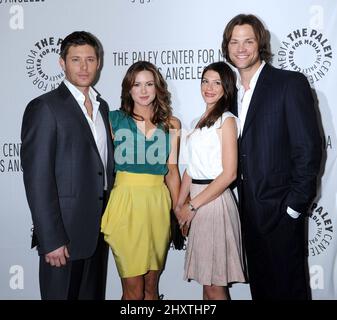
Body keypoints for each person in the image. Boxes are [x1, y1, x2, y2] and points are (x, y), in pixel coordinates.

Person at [221, 14, 322, 299]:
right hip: (246, 215)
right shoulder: (230, 96)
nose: (241, 48)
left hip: (280, 213)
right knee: (262, 292)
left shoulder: (289, 83)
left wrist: (293, 208)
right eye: (234, 42)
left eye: (248, 41)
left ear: (260, 44)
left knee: (289, 292)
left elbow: (308, 150)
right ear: (227, 47)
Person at [21, 31, 114, 300]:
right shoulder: (44, 108)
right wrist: (51, 239)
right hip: (63, 238)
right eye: (75, 60)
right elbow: (38, 179)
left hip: (98, 233)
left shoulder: (102, 107)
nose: (83, 67)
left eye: (89, 59)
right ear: (62, 63)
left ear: (99, 63)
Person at [101, 61, 181, 300]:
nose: (144, 90)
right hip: (125, 204)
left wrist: (178, 210)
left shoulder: (172, 124)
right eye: (137, 85)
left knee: (151, 289)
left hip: (157, 205)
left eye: (149, 84)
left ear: (158, 88)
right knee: (133, 291)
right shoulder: (112, 120)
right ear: (129, 89)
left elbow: (172, 171)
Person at [175, 62, 245, 300]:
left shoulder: (227, 120)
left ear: (227, 88)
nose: (209, 87)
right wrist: (179, 205)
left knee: (214, 286)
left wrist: (192, 206)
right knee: (208, 283)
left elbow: (229, 174)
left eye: (217, 82)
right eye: (205, 81)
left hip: (213, 203)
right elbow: (190, 170)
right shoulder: (200, 120)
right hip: (197, 200)